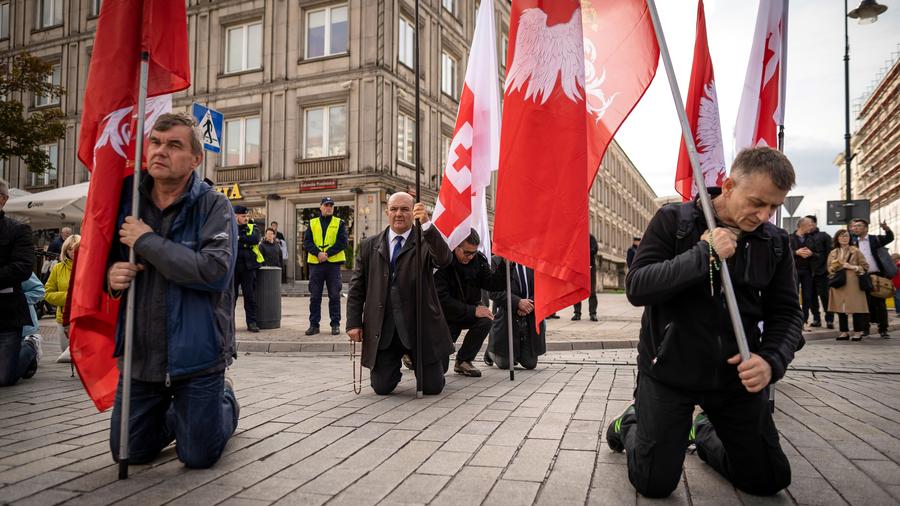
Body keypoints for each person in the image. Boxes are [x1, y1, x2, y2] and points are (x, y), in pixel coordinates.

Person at [605, 147, 801, 498]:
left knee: (769, 479)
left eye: (773, 207)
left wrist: (771, 361)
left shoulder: (774, 242)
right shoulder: (674, 222)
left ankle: (702, 430)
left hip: (733, 379)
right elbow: (637, 287)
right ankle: (631, 421)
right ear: (728, 186)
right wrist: (703, 254)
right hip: (670, 372)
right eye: (756, 202)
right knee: (654, 483)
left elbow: (787, 313)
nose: (763, 215)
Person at [105, 113, 239, 469]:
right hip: (141, 355)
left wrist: (146, 240)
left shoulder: (214, 205)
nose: (160, 151)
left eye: (174, 145)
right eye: (155, 143)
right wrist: (111, 276)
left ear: (196, 158)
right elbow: (103, 260)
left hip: (198, 356)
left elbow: (214, 272)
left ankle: (224, 400)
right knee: (127, 452)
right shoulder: (127, 200)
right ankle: (182, 415)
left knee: (197, 456)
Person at [346, 192, 453, 395]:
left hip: (419, 327)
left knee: (432, 388)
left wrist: (428, 226)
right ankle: (394, 366)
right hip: (384, 328)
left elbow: (444, 259)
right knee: (381, 388)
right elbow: (357, 286)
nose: (399, 214)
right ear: (387, 211)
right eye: (394, 209)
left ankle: (430, 364)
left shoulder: (424, 241)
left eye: (405, 209)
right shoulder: (370, 245)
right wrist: (353, 323)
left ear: (413, 212)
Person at [434, 229, 505, 377]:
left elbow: (492, 284)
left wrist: (505, 265)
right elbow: (442, 300)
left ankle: (463, 361)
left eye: (473, 252)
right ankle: (413, 355)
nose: (470, 257)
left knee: (485, 320)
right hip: (445, 317)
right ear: (456, 247)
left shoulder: (478, 260)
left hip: (467, 310)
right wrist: (473, 311)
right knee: (439, 369)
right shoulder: (443, 262)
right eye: (466, 253)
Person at [0, 177, 39, 387]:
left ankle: (30, 349)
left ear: (3, 200)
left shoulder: (18, 230)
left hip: (7, 312)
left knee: (4, 378)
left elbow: (23, 268)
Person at [487, 258, 546, 370]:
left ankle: (517, 353)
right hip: (506, 316)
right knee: (505, 364)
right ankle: (491, 351)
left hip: (529, 316)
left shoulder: (534, 260)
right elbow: (493, 291)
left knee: (530, 364)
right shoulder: (496, 261)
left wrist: (528, 306)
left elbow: (543, 287)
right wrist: (517, 303)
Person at [304, 196, 348, 336]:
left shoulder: (339, 223)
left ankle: (335, 324)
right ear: (321, 207)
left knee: (334, 295)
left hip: (333, 264)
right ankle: (314, 325)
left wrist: (327, 254)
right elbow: (307, 242)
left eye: (331, 205)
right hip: (316, 264)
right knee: (315, 296)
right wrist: (318, 253)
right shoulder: (312, 223)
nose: (329, 207)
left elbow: (343, 242)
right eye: (326, 205)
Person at [850, 218, 893, 338]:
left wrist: (886, 229)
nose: (856, 228)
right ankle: (865, 329)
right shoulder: (853, 243)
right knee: (864, 303)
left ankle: (883, 329)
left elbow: (889, 238)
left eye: (859, 226)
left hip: (877, 275)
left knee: (880, 303)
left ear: (865, 228)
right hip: (862, 276)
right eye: (854, 226)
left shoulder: (875, 239)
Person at [827, 229, 869, 341]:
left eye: (846, 236)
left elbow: (865, 267)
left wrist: (853, 267)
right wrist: (834, 267)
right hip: (839, 283)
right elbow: (829, 269)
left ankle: (857, 332)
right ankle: (844, 332)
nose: (844, 238)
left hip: (853, 283)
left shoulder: (856, 251)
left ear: (850, 238)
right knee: (840, 308)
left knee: (856, 307)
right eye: (841, 236)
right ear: (837, 238)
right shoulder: (833, 252)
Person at [44, 233, 81, 363]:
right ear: (65, 250)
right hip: (63, 318)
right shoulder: (58, 268)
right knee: (65, 358)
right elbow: (47, 293)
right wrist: (69, 297)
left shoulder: (88, 268)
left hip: (83, 318)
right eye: (69, 248)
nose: (73, 252)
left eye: (76, 248)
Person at [234, 205, 263, 333]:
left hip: (248, 267)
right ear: (236, 216)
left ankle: (252, 323)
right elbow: (227, 241)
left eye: (246, 216)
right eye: (243, 216)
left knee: (249, 297)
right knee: (231, 298)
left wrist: (239, 239)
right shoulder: (228, 227)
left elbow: (255, 239)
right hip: (233, 267)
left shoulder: (253, 227)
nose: (246, 218)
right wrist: (246, 242)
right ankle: (228, 324)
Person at [804, 215, 833, 328]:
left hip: (822, 272)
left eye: (810, 223)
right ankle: (816, 319)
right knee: (811, 297)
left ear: (815, 224)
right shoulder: (803, 237)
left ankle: (829, 319)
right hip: (808, 273)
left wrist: (828, 269)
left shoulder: (824, 236)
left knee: (825, 297)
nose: (809, 226)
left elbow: (830, 254)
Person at [790, 218, 815, 327]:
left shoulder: (812, 239)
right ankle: (794, 320)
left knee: (807, 296)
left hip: (807, 271)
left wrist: (811, 253)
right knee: (793, 295)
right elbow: (784, 253)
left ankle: (804, 320)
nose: (811, 227)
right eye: (809, 225)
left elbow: (819, 254)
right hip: (793, 271)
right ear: (802, 226)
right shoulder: (789, 238)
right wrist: (796, 252)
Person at [573, 233, 599, 321]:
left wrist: (583, 251)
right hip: (578, 267)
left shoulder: (590, 237)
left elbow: (595, 249)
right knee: (577, 291)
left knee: (592, 291)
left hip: (590, 267)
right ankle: (577, 313)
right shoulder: (575, 237)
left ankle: (593, 313)